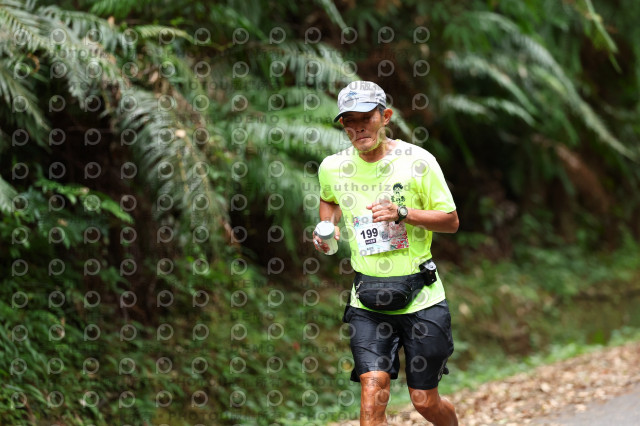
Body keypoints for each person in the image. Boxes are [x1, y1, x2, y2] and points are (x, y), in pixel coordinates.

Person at [313, 81, 459, 426]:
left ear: (386, 116)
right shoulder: (333, 167)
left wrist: (403, 213)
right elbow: (329, 199)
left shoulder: (418, 162)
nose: (358, 127)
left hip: (422, 298)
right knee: (372, 392)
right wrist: (328, 226)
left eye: (366, 118)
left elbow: (451, 221)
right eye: (349, 121)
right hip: (367, 301)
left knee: (424, 401)